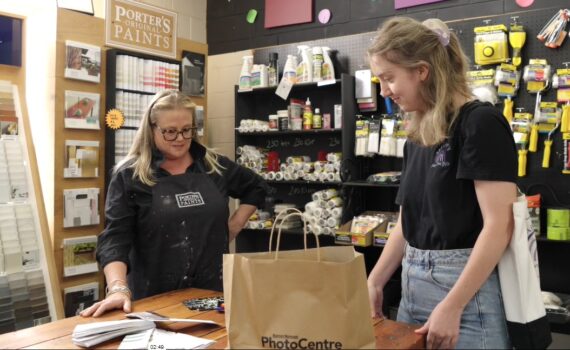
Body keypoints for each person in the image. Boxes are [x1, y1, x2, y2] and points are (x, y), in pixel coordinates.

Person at [366, 17, 517, 349]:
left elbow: (499, 226)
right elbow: (408, 221)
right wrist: (375, 280)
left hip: (465, 292)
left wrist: (453, 304)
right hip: (412, 283)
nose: (385, 91)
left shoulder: (479, 123)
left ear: (422, 71)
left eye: (389, 78)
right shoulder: (418, 135)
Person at [81, 90, 267, 317]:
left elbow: (256, 187)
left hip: (211, 295)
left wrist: (235, 224)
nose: (180, 139)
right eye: (170, 132)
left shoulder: (214, 166)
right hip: (154, 297)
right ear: (151, 129)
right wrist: (118, 288)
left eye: (186, 130)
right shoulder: (129, 176)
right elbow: (115, 238)